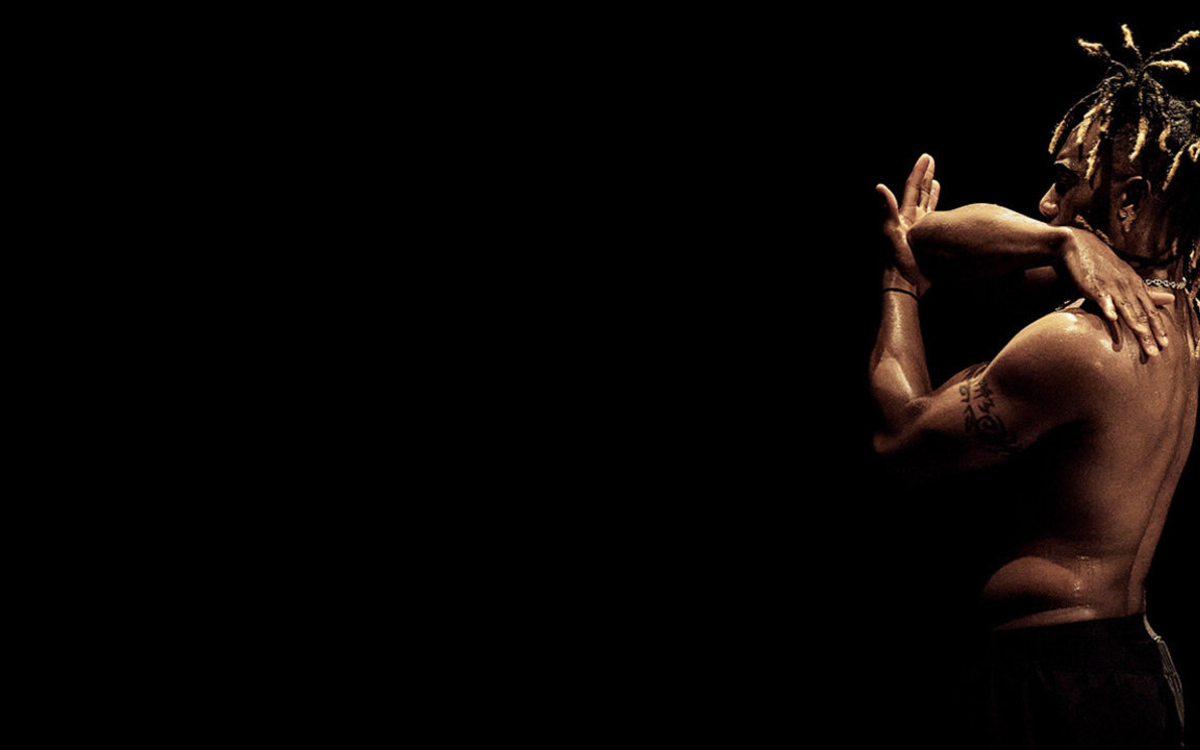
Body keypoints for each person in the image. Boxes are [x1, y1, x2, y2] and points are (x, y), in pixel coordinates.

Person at [868, 26, 1198, 749]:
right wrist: (1064, 240)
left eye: (1066, 181)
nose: (1046, 203)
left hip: (1054, 686)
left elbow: (899, 439)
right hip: (1128, 669)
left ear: (1130, 198)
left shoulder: (1080, 344)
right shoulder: (1181, 312)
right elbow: (940, 244)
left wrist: (898, 286)